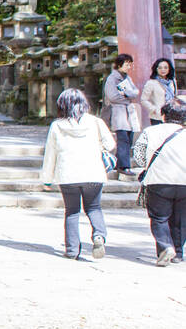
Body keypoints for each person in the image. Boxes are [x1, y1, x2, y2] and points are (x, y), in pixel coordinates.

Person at [41, 88, 116, 259]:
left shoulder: (57, 125)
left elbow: (50, 154)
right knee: (94, 207)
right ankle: (98, 235)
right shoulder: (95, 122)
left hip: (67, 174)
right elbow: (110, 144)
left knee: (72, 211)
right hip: (93, 172)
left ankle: (72, 250)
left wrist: (47, 179)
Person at [132, 99, 186, 266]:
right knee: (180, 219)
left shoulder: (150, 132)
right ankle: (177, 252)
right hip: (184, 181)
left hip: (158, 181)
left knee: (159, 217)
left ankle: (164, 247)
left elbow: (139, 157)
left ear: (163, 115)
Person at [103, 53, 140, 174]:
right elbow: (112, 96)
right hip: (118, 112)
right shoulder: (112, 79)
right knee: (123, 138)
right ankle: (124, 166)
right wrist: (127, 97)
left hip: (128, 112)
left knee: (128, 138)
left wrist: (127, 95)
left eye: (130, 64)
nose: (129, 66)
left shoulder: (127, 78)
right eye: (127, 64)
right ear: (119, 65)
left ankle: (120, 163)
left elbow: (135, 92)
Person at [140, 57, 178, 126]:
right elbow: (143, 100)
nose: (163, 70)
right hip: (157, 117)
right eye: (160, 68)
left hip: (171, 116)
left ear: (169, 69)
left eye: (165, 67)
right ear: (156, 69)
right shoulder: (151, 83)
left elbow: (175, 97)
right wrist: (154, 109)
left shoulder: (172, 82)